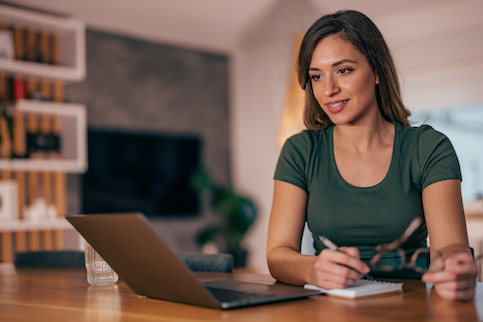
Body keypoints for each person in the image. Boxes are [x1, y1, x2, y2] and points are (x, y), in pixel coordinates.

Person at [266, 10, 478, 301]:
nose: (328, 89)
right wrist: (314, 269)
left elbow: (450, 248)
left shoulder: (428, 147)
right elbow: (278, 255)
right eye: (316, 76)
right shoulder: (300, 151)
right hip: (327, 308)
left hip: (410, 307)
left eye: (343, 70)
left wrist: (455, 266)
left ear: (377, 71)